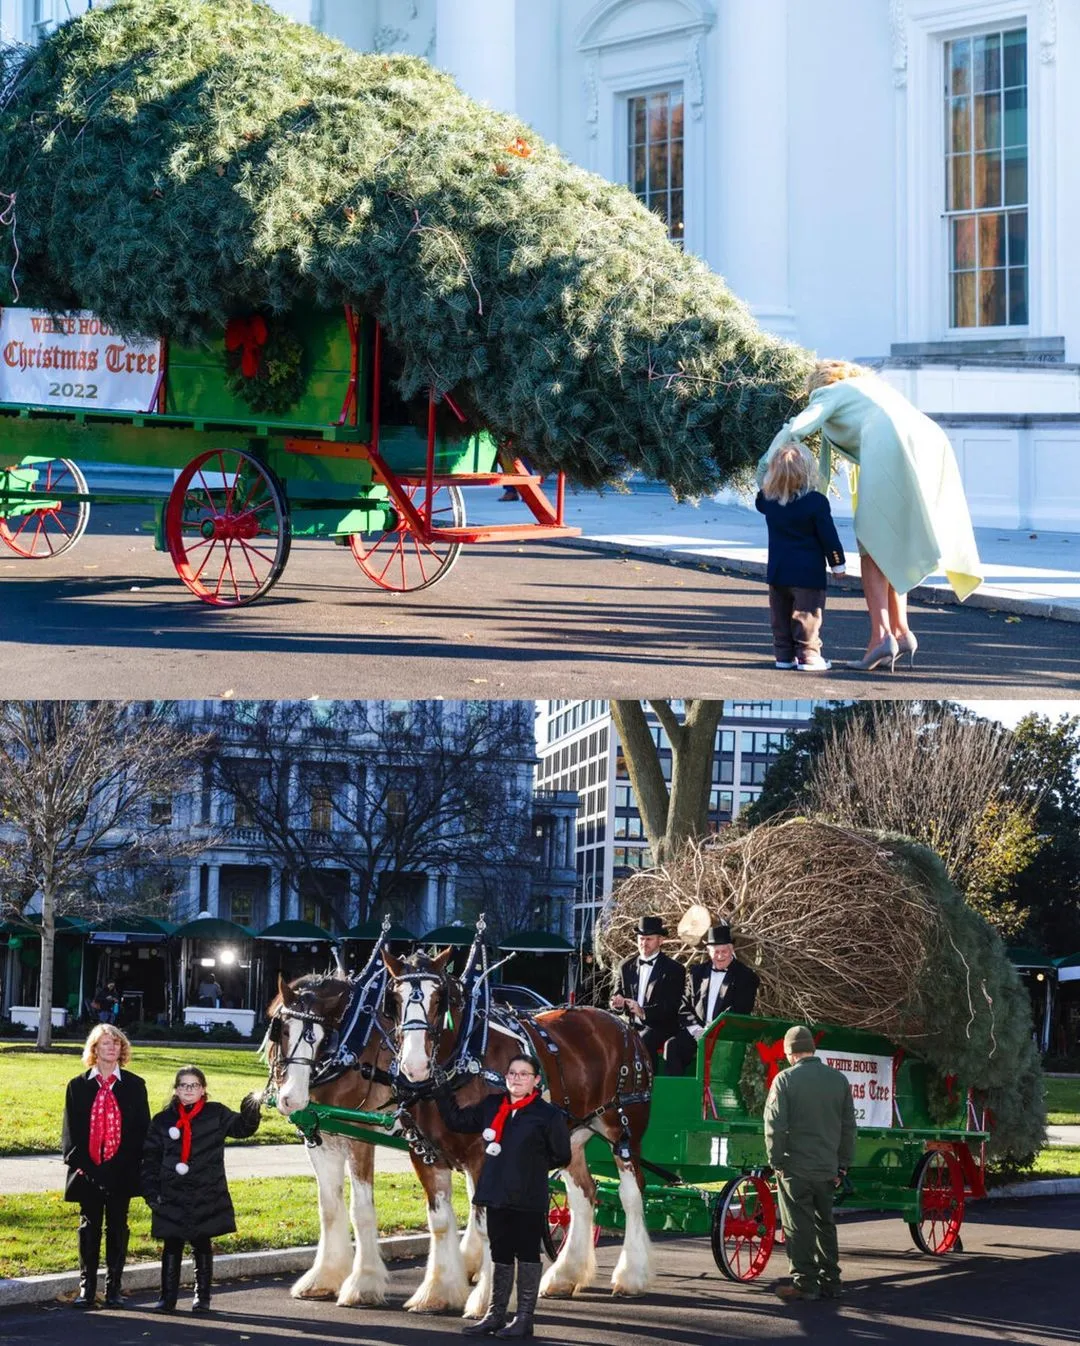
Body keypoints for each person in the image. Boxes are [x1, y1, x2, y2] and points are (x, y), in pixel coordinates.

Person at [763, 359, 983, 671]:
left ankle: (880, 637)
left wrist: (766, 466)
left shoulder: (830, 392)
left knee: (873, 541)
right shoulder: (873, 388)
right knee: (895, 538)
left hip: (891, 448)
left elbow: (797, 428)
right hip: (930, 443)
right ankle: (901, 630)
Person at [435, 1053, 571, 1337]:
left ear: (535, 1081)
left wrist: (527, 1166)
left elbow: (561, 1155)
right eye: (512, 1073)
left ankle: (524, 1319)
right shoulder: (493, 1105)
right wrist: (441, 1088)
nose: (517, 1078)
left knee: (528, 1255)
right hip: (495, 1193)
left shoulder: (548, 1115)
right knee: (500, 1254)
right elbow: (457, 1120)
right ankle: (496, 1315)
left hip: (528, 1196)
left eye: (524, 1074)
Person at [141, 1066, 262, 1315]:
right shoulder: (162, 1121)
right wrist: (151, 1191)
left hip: (205, 1190)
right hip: (171, 1192)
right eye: (184, 1085)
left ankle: (202, 1298)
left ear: (203, 1089)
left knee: (201, 1242)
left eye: (194, 1085)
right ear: (175, 1090)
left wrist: (251, 1109)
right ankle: (167, 1298)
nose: (189, 1090)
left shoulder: (216, 1114)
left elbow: (242, 1129)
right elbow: (150, 1157)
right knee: (171, 1244)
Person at [764, 1025, 857, 1302]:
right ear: (812, 1049)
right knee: (825, 1223)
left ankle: (805, 1284)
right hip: (827, 1167)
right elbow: (849, 1128)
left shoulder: (785, 1080)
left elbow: (774, 1127)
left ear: (790, 1052)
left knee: (798, 1226)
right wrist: (842, 1166)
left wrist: (776, 1161)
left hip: (796, 1167)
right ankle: (832, 1281)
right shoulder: (838, 1080)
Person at [61, 1024, 150, 1309]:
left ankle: (113, 1289)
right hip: (87, 1172)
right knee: (89, 1227)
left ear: (122, 1050)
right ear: (94, 1049)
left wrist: (116, 1169)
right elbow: (70, 1136)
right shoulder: (77, 1086)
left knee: (117, 1227)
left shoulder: (135, 1086)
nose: (111, 1047)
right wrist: (93, 1169)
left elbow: (140, 1133)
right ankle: (87, 1289)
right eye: (105, 1043)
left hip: (121, 1173)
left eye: (116, 1043)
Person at [756, 442, 846, 671]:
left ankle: (783, 655)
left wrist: (773, 452)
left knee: (780, 615)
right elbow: (829, 537)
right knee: (807, 615)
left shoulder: (768, 501)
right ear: (808, 471)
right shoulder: (816, 502)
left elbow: (760, 482)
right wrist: (837, 564)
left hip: (777, 572)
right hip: (808, 574)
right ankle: (809, 655)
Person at [665, 924, 760, 1075]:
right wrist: (696, 1030)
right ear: (709, 952)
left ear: (732, 950)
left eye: (724, 951)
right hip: (697, 1031)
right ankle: (677, 1093)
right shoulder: (696, 973)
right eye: (716, 952)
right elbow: (683, 1004)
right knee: (672, 1046)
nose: (720, 956)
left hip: (725, 1034)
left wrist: (712, 1030)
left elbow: (741, 1009)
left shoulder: (746, 976)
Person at [609, 915, 686, 1070]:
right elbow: (617, 993)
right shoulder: (625, 966)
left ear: (660, 940)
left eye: (649, 939)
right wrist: (616, 1003)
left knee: (642, 1040)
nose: (644, 943)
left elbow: (671, 1007)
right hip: (631, 1025)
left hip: (661, 1026)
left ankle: (648, 1087)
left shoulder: (675, 969)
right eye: (641, 939)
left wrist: (643, 1011)